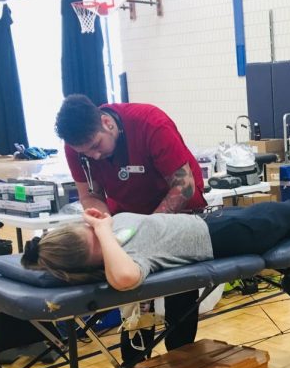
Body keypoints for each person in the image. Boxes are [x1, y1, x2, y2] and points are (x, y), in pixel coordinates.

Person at [21, 168, 290, 291]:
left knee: (289, 216)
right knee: (288, 213)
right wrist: (105, 235)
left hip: (211, 223)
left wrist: (101, 225)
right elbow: (125, 279)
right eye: (91, 233)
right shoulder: (124, 257)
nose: (96, 227)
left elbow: (102, 225)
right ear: (93, 251)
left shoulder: (109, 234)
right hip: (225, 240)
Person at [55, 94, 206, 351]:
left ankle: (180, 360)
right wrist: (104, 225)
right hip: (128, 218)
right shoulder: (77, 148)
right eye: (86, 153)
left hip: (178, 215)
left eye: (96, 145)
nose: (95, 156)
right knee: (133, 293)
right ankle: (134, 361)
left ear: (107, 123)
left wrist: (149, 228)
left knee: (179, 291)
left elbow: (184, 186)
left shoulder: (150, 123)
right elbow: (90, 194)